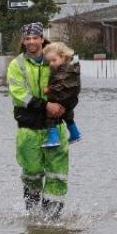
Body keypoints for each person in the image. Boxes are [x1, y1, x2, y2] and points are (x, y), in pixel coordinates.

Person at [6, 22, 69, 219]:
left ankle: (53, 219)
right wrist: (45, 105)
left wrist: (66, 104)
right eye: (27, 38)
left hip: (55, 127)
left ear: (42, 38)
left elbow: (69, 84)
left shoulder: (56, 59)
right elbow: (19, 95)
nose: (31, 41)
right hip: (29, 129)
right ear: (23, 41)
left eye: (35, 37)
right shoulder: (17, 65)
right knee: (31, 172)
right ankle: (33, 217)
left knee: (57, 175)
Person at [41, 42, 82, 147]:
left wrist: (48, 89)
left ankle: (53, 138)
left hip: (62, 96)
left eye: (53, 60)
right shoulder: (73, 67)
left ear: (63, 57)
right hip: (71, 99)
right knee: (67, 114)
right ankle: (75, 133)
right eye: (49, 61)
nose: (51, 64)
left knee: (49, 113)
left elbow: (61, 83)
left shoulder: (65, 70)